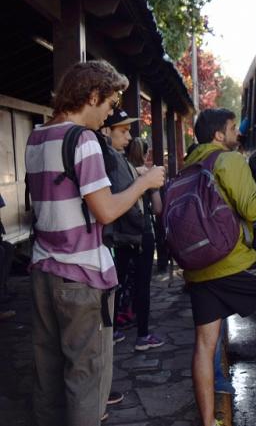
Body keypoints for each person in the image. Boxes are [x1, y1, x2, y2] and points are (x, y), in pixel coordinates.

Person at [25, 60, 165, 426]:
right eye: (108, 103)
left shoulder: (37, 137)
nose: (109, 114)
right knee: (87, 378)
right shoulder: (84, 140)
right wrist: (144, 183)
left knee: (48, 376)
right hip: (82, 277)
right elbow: (105, 211)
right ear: (91, 96)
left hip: (42, 272)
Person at [182, 108, 256, 426]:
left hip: (197, 267)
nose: (239, 133)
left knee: (205, 345)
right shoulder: (229, 159)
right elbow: (252, 208)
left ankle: (209, 422)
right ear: (219, 135)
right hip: (230, 261)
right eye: (233, 128)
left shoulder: (189, 164)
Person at [100, 116, 166, 351]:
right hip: (136, 233)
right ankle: (143, 335)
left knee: (118, 283)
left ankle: (114, 330)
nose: (128, 137)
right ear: (107, 130)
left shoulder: (114, 158)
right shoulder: (114, 160)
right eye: (124, 131)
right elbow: (131, 201)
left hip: (121, 235)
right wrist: (149, 184)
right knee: (141, 285)